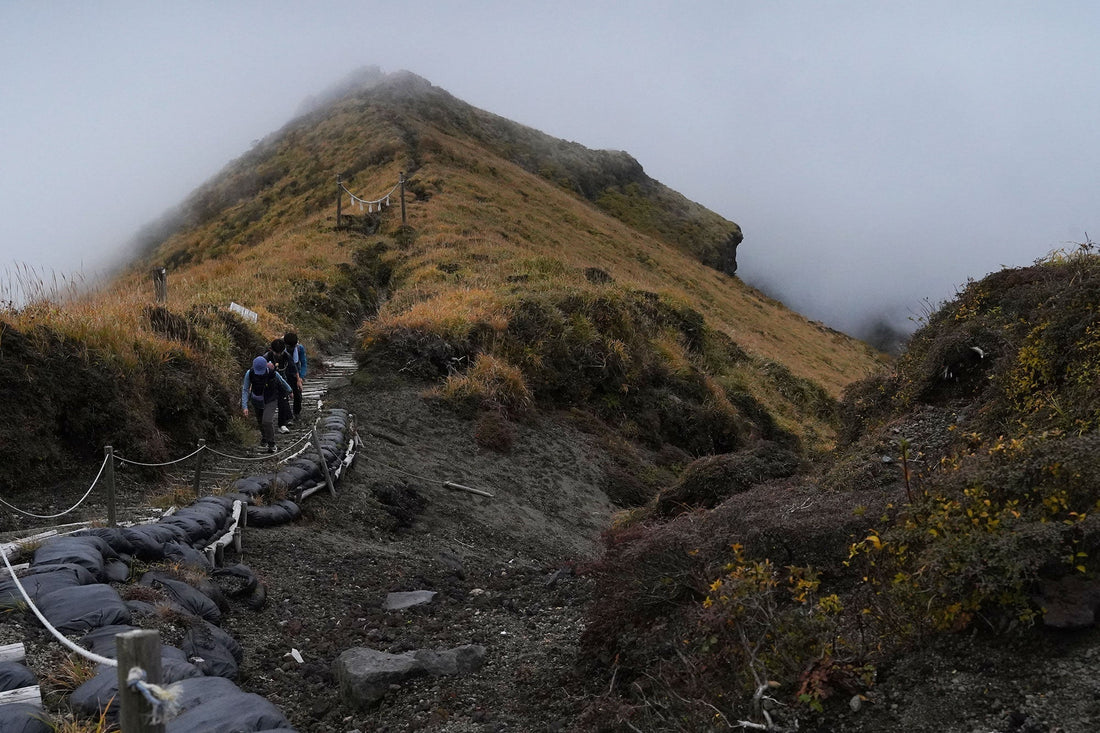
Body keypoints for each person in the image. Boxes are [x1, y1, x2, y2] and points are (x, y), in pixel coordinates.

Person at [241, 355, 292, 453]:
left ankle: (272, 444)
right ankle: (265, 439)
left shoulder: (272, 373)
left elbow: (282, 381)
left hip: (270, 399)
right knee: (261, 422)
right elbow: (245, 389)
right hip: (256, 400)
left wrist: (290, 391)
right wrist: (245, 406)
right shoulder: (250, 373)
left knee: (267, 421)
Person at [264, 338, 294, 433]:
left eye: (280, 352)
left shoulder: (286, 356)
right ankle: (265, 425)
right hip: (268, 384)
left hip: (281, 382)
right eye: (277, 353)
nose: (279, 355)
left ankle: (282, 424)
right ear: (271, 350)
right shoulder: (266, 357)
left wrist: (290, 389)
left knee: (283, 403)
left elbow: (293, 368)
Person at [284, 331, 307, 421]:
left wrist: (300, 377)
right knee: (284, 395)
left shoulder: (300, 349)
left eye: (293, 346)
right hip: (284, 374)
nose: (291, 348)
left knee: (298, 395)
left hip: (296, 374)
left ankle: (296, 413)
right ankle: (286, 416)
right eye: (289, 346)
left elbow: (304, 363)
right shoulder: (281, 348)